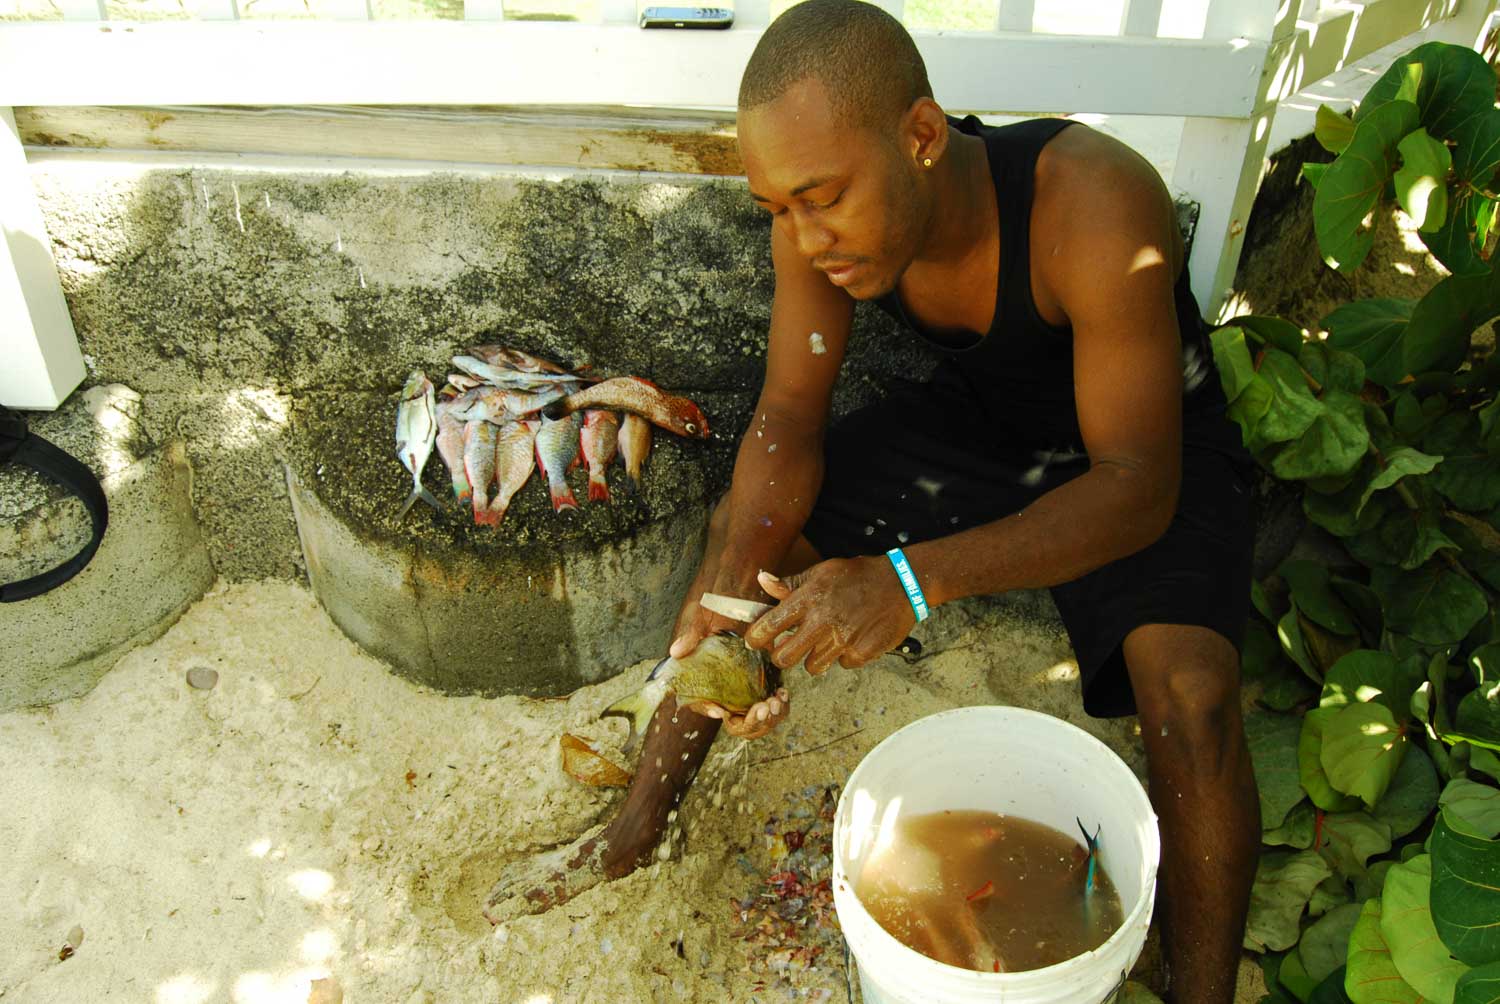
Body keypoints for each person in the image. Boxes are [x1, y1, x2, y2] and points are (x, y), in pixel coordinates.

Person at [486, 1, 1259, 998]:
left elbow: (1137, 491)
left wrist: (908, 580)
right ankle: (636, 826)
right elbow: (785, 421)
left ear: (922, 137)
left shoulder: (1096, 202)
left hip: (1142, 458)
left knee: (1193, 697)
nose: (804, 238)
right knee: (751, 550)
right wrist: (730, 605)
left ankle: (1202, 986)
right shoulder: (812, 235)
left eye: (821, 196)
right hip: (980, 432)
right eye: (776, 207)